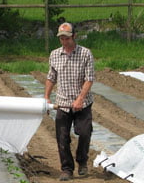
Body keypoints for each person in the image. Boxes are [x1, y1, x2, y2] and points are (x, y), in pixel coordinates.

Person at [44, 22, 95, 181]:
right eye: (61, 39)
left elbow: (89, 79)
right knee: (62, 137)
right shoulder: (54, 55)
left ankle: (82, 161)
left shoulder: (85, 54)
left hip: (83, 103)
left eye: (67, 38)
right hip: (63, 103)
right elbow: (51, 78)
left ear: (74, 36)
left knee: (85, 133)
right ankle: (66, 169)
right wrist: (46, 97)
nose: (64, 41)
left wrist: (80, 99)